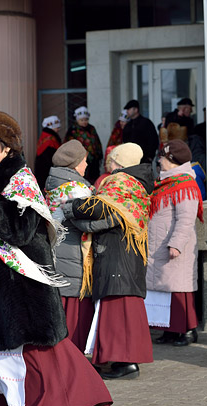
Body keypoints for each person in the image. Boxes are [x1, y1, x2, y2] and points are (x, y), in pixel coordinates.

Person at [0, 111, 112, 406]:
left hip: (24, 282)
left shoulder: (21, 179)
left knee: (36, 354)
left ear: (6, 148)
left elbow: (20, 231)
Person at [61, 143, 154, 380]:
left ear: (119, 162)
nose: (107, 164)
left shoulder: (120, 181)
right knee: (124, 305)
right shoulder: (139, 182)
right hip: (128, 252)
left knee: (117, 306)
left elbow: (99, 207)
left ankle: (124, 362)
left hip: (117, 251)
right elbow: (112, 215)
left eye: (111, 160)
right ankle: (123, 359)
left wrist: (70, 207)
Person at [45, 140, 113, 351]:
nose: (86, 166)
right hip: (74, 255)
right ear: (74, 165)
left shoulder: (53, 184)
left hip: (58, 253)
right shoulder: (76, 189)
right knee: (75, 314)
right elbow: (86, 222)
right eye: (84, 161)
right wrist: (114, 218)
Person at [146, 140, 204, 347]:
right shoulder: (168, 183)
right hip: (160, 244)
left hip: (173, 246)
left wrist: (177, 244)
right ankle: (170, 329)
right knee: (165, 289)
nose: (159, 161)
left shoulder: (185, 185)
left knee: (179, 289)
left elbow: (186, 219)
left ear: (173, 161)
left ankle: (188, 330)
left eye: (163, 157)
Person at [65, 106, 104, 184]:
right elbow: (69, 144)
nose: (84, 122)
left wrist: (99, 154)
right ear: (77, 120)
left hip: (93, 160)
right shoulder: (73, 130)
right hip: (80, 160)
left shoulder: (91, 128)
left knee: (94, 178)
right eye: (82, 120)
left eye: (86, 120)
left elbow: (97, 142)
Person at [122, 99, 159, 164]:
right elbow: (125, 141)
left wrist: (150, 157)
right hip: (130, 161)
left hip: (144, 160)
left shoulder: (146, 123)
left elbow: (153, 140)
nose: (127, 111)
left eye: (129, 109)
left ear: (136, 110)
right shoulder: (128, 125)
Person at [34, 115, 61, 188]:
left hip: (42, 171)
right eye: (57, 127)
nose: (58, 129)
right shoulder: (51, 140)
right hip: (47, 172)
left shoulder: (45, 137)